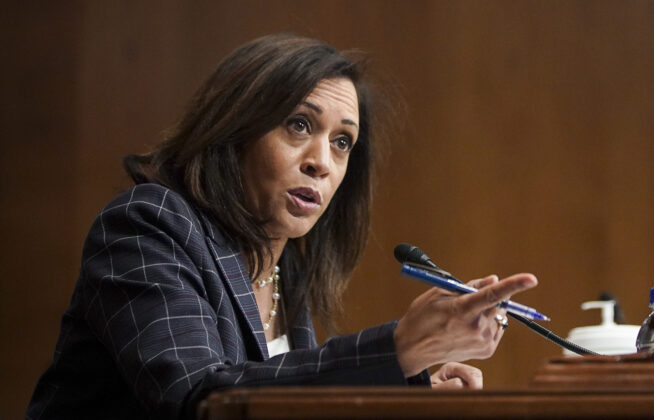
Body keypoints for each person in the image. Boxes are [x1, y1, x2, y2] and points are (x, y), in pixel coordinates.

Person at [27, 34, 537, 419]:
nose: (322, 161)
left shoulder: (284, 266)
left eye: (342, 143)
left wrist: (408, 388)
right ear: (235, 130)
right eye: (299, 125)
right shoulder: (146, 226)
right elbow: (200, 399)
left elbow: (284, 396)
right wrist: (399, 349)